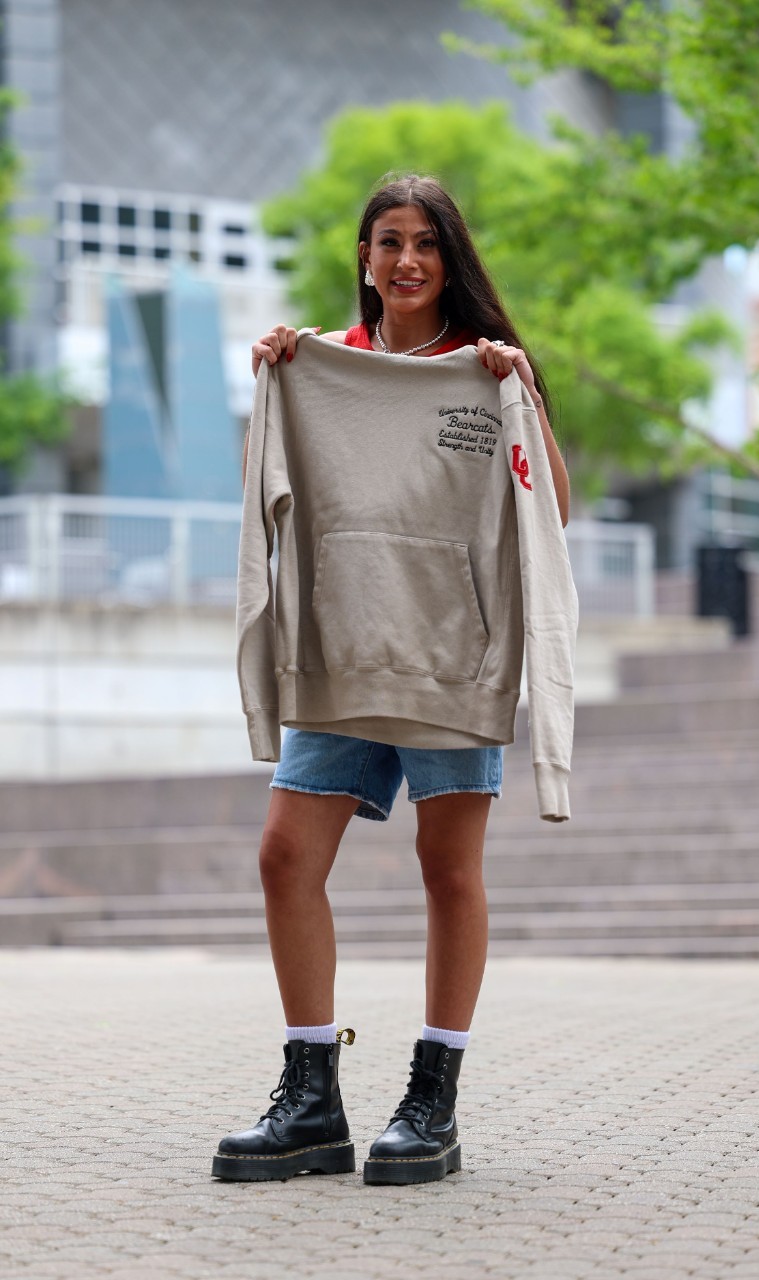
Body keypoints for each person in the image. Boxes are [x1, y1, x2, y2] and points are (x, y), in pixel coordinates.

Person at [212, 174, 571, 1187]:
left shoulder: (482, 371)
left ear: (449, 258)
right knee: (285, 854)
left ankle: (433, 1096)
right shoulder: (323, 364)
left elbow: (552, 515)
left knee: (447, 870)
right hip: (340, 648)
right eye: (388, 243)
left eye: (425, 243)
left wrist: (520, 390)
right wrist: (285, 373)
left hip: (452, 654)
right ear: (364, 258)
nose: (406, 261)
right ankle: (311, 1097)